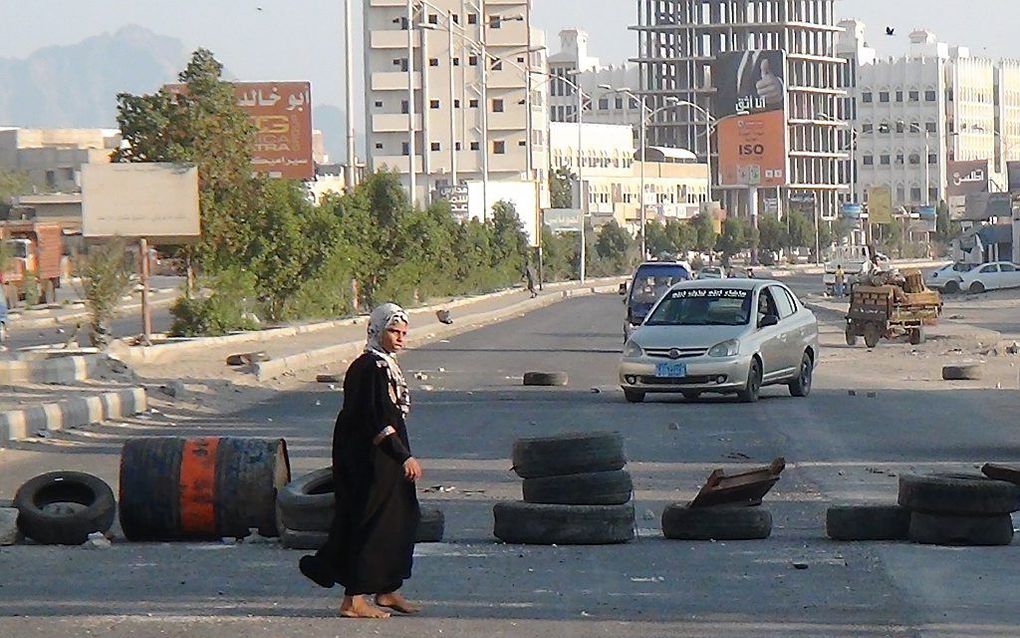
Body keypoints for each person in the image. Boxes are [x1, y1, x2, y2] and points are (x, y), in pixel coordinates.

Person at [299, 303, 422, 619]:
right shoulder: (368, 367)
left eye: (403, 332)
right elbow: (372, 417)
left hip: (384, 458)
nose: (399, 338)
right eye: (393, 331)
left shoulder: (384, 365)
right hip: (368, 460)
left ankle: (386, 589)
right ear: (376, 330)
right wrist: (402, 454)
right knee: (369, 522)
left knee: (399, 519)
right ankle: (353, 598)